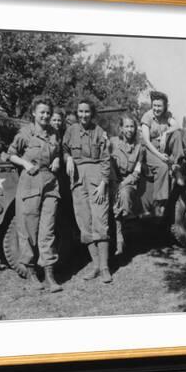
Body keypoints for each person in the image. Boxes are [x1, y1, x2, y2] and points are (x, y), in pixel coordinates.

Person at [7, 96, 63, 293]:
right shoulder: (25, 133)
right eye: (42, 112)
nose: (46, 116)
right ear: (34, 113)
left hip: (50, 183)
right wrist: (24, 163)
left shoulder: (54, 133)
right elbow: (10, 153)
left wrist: (57, 159)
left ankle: (49, 275)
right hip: (30, 182)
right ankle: (31, 273)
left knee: (47, 229)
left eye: (48, 112)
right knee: (28, 229)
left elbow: (57, 152)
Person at [63, 98, 112, 283]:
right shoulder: (71, 131)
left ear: (92, 113)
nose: (83, 115)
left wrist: (104, 182)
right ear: (77, 113)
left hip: (96, 178)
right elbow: (64, 149)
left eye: (87, 112)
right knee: (85, 223)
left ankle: (105, 267)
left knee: (100, 221)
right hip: (77, 179)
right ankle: (96, 266)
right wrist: (68, 158)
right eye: (80, 112)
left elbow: (106, 158)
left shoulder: (99, 132)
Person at [140, 90, 184, 214]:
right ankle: (160, 202)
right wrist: (159, 155)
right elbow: (146, 141)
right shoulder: (147, 117)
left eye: (159, 106)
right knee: (163, 167)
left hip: (164, 146)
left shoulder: (167, 115)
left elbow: (178, 126)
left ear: (164, 106)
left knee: (177, 134)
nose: (157, 109)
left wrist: (166, 133)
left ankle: (177, 167)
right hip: (150, 150)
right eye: (155, 105)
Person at [109, 114, 143, 256]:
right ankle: (116, 240)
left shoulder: (140, 148)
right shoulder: (112, 142)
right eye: (126, 126)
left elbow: (136, 172)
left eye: (132, 126)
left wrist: (123, 183)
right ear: (121, 128)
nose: (129, 129)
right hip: (112, 180)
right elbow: (106, 162)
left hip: (128, 182)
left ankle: (119, 239)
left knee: (123, 196)